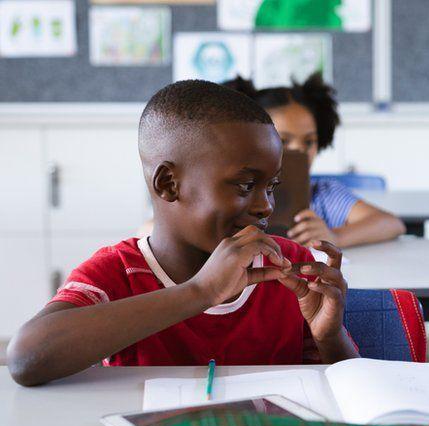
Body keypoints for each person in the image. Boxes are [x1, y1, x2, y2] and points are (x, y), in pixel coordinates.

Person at [7, 80, 358, 386]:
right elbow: (27, 357)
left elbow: (349, 390)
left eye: (271, 186)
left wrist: (329, 336)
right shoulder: (118, 274)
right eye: (246, 185)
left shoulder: (288, 264)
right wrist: (200, 291)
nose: (266, 205)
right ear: (168, 184)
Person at [224, 73, 406, 248]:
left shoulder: (323, 195)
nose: (300, 150)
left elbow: (392, 223)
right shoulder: (235, 195)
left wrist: (335, 236)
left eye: (309, 141)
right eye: (283, 141)